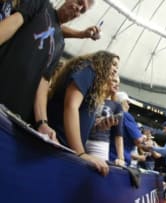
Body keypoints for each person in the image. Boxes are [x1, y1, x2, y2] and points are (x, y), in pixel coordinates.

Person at [0, 0, 94, 142]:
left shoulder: (60, 43)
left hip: (14, 117)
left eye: (82, 10)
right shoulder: (40, 5)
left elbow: (43, 83)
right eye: (79, 2)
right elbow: (9, 26)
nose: (78, 9)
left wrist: (42, 123)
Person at [47, 50, 119, 176]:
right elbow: (71, 106)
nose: (115, 70)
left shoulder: (93, 82)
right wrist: (80, 154)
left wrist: (98, 126)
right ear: (102, 61)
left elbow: (80, 116)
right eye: (113, 64)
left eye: (117, 67)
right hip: (56, 144)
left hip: (65, 149)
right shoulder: (89, 68)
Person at [85, 75, 125, 166]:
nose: (117, 85)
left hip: (99, 144)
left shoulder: (116, 105)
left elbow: (118, 134)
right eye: (114, 81)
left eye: (118, 84)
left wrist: (121, 158)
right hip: (81, 139)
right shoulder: (91, 97)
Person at [109, 91, 144, 167]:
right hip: (120, 158)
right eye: (127, 103)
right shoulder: (126, 115)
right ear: (122, 103)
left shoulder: (110, 113)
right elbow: (138, 140)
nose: (129, 106)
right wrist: (143, 137)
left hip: (107, 154)